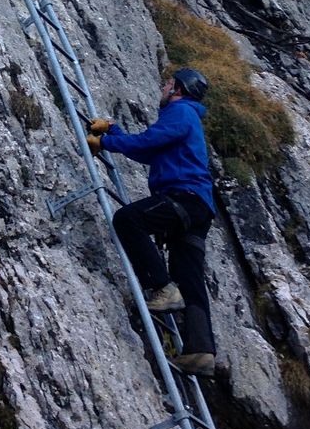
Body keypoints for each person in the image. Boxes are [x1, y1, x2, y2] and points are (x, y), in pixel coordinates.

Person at [86, 68, 217, 378]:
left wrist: (105, 142)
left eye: (168, 83)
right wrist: (114, 132)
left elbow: (149, 142)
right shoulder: (187, 117)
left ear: (178, 90)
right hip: (198, 207)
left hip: (184, 196)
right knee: (188, 277)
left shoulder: (180, 111)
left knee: (128, 219)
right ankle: (201, 351)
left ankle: (161, 288)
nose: (163, 86)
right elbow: (152, 152)